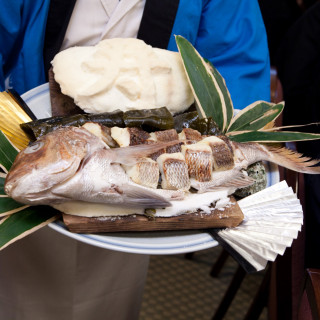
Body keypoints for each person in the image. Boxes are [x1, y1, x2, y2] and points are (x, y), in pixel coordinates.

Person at [0, 1, 270, 319]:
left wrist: (224, 153)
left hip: (139, 164)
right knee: (18, 291)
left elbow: (234, 65)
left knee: (107, 297)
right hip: (38, 148)